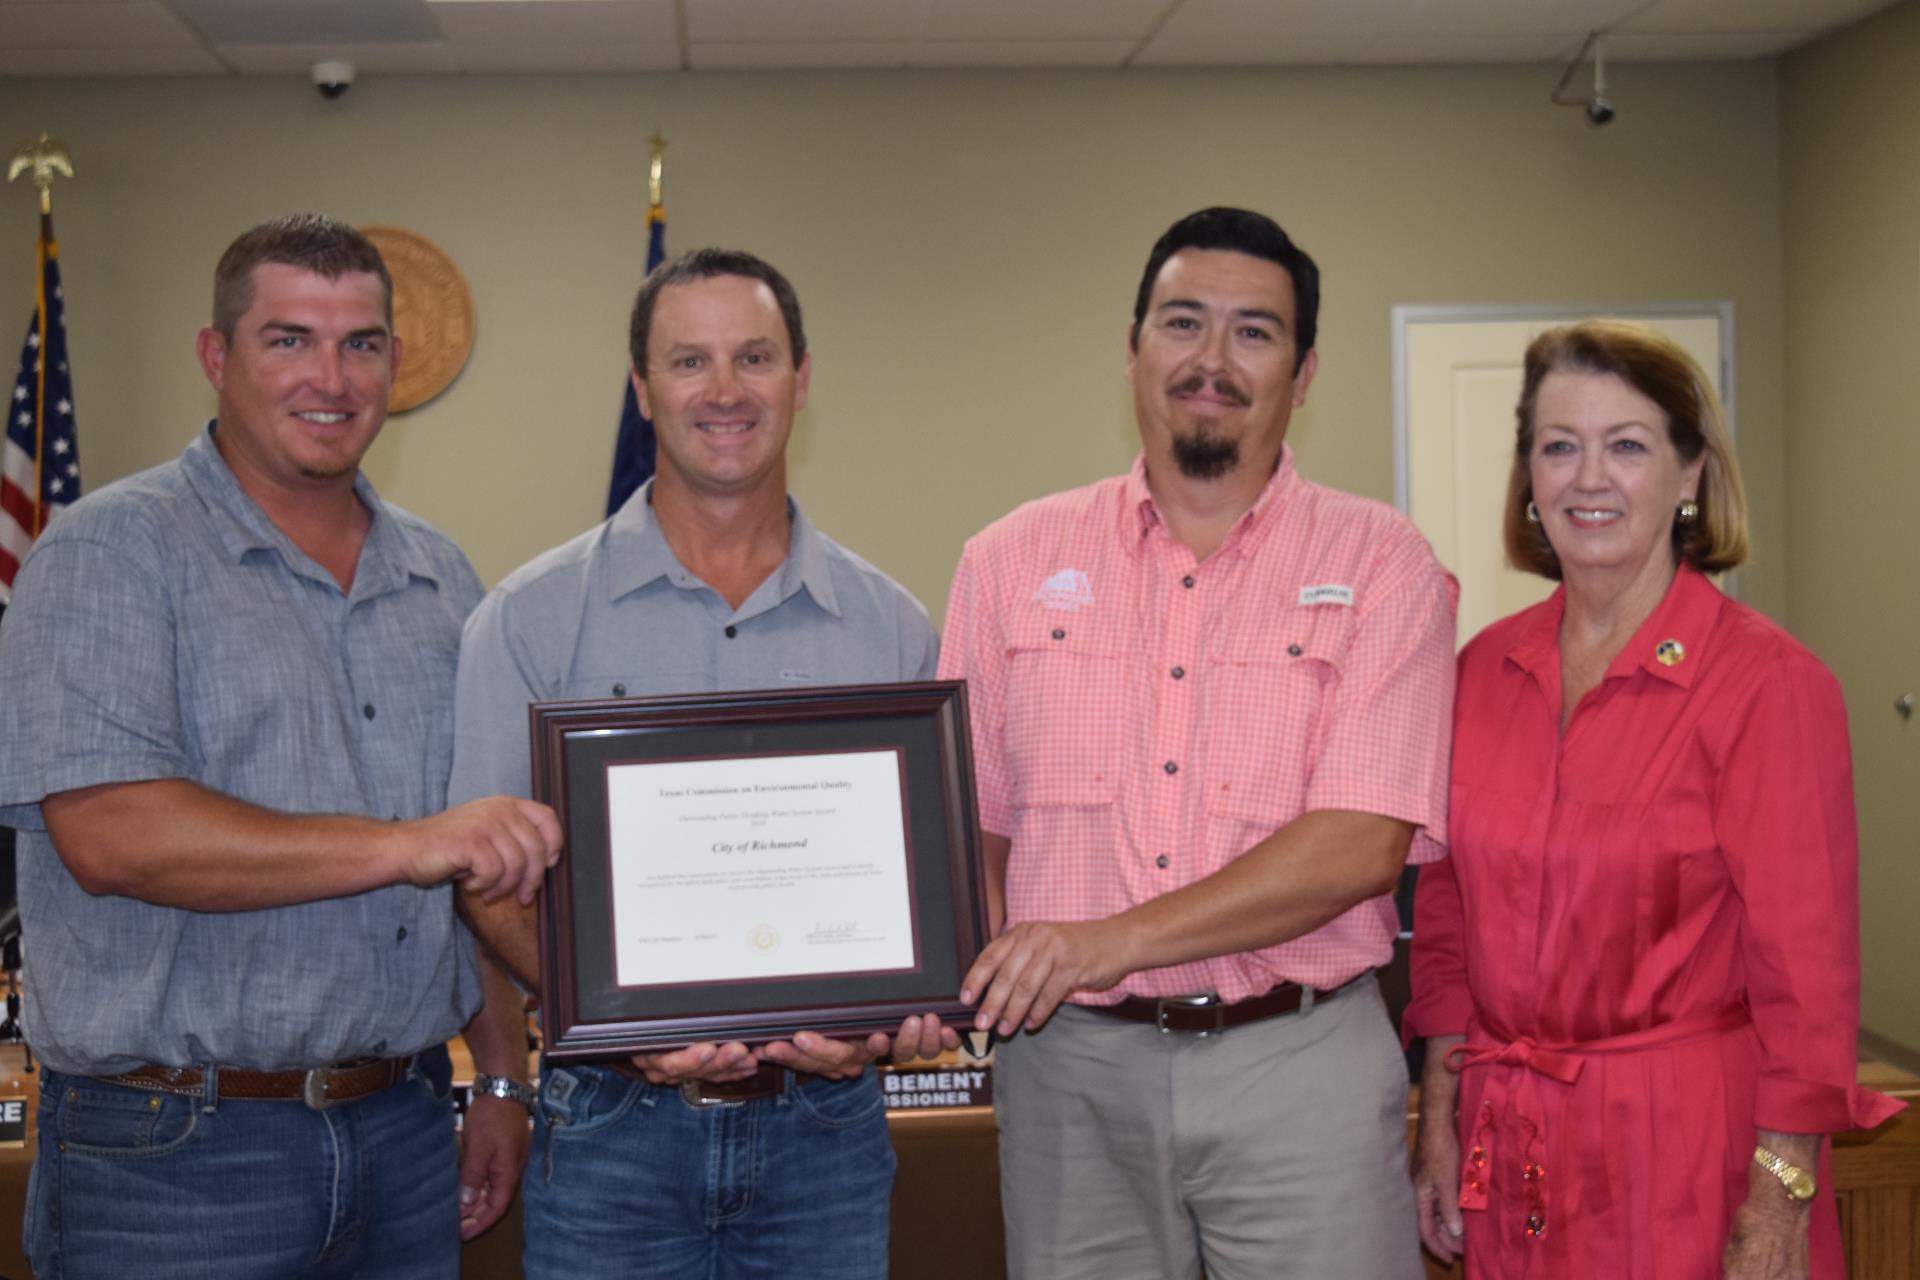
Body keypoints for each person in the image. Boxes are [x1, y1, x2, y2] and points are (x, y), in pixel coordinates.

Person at [0, 214, 563, 1278]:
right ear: (218, 357)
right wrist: (407, 843)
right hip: (170, 1154)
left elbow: (477, 866)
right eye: (289, 338)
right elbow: (112, 836)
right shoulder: (108, 556)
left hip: (401, 1127)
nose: (331, 376)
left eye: (361, 343)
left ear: (393, 361)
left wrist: (498, 1073)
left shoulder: (443, 580)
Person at [939, 207, 1456, 1279]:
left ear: (1304, 371)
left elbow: (1360, 842)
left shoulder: (1386, 565)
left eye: (1254, 333)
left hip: (1301, 1064)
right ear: (1131, 348)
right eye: (1183, 322)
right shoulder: (1005, 562)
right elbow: (967, 837)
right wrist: (927, 983)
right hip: (1069, 1076)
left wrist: (1105, 939)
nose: (1212, 360)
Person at [450, 247, 950, 1280]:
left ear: (801, 379)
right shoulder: (529, 621)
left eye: (753, 356)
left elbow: (923, 897)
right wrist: (616, 1017)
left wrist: (891, 1017)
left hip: (828, 1133)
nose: (723, 391)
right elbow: (486, 882)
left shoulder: (893, 628)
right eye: (689, 361)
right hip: (608, 1128)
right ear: (643, 389)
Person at [1403, 320, 1904, 1278]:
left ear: (1690, 476)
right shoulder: (1480, 673)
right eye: (1559, 446)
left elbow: (1809, 974)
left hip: (1688, 1150)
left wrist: (1780, 1196)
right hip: (1514, 1149)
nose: (1588, 478)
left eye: (1627, 445)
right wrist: (1442, 1105)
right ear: (1529, 477)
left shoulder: (1766, 685)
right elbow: (1449, 913)